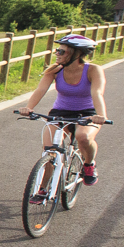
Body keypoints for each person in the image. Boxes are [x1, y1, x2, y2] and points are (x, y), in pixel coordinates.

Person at [20, 33, 107, 194]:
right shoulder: (55, 70)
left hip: (87, 113)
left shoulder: (93, 70)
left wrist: (100, 115)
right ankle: (43, 189)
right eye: (57, 51)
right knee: (49, 151)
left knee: (84, 138)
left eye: (62, 52)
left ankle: (89, 164)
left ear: (77, 53)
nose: (57, 54)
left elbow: (97, 93)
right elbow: (40, 90)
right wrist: (28, 107)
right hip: (60, 113)